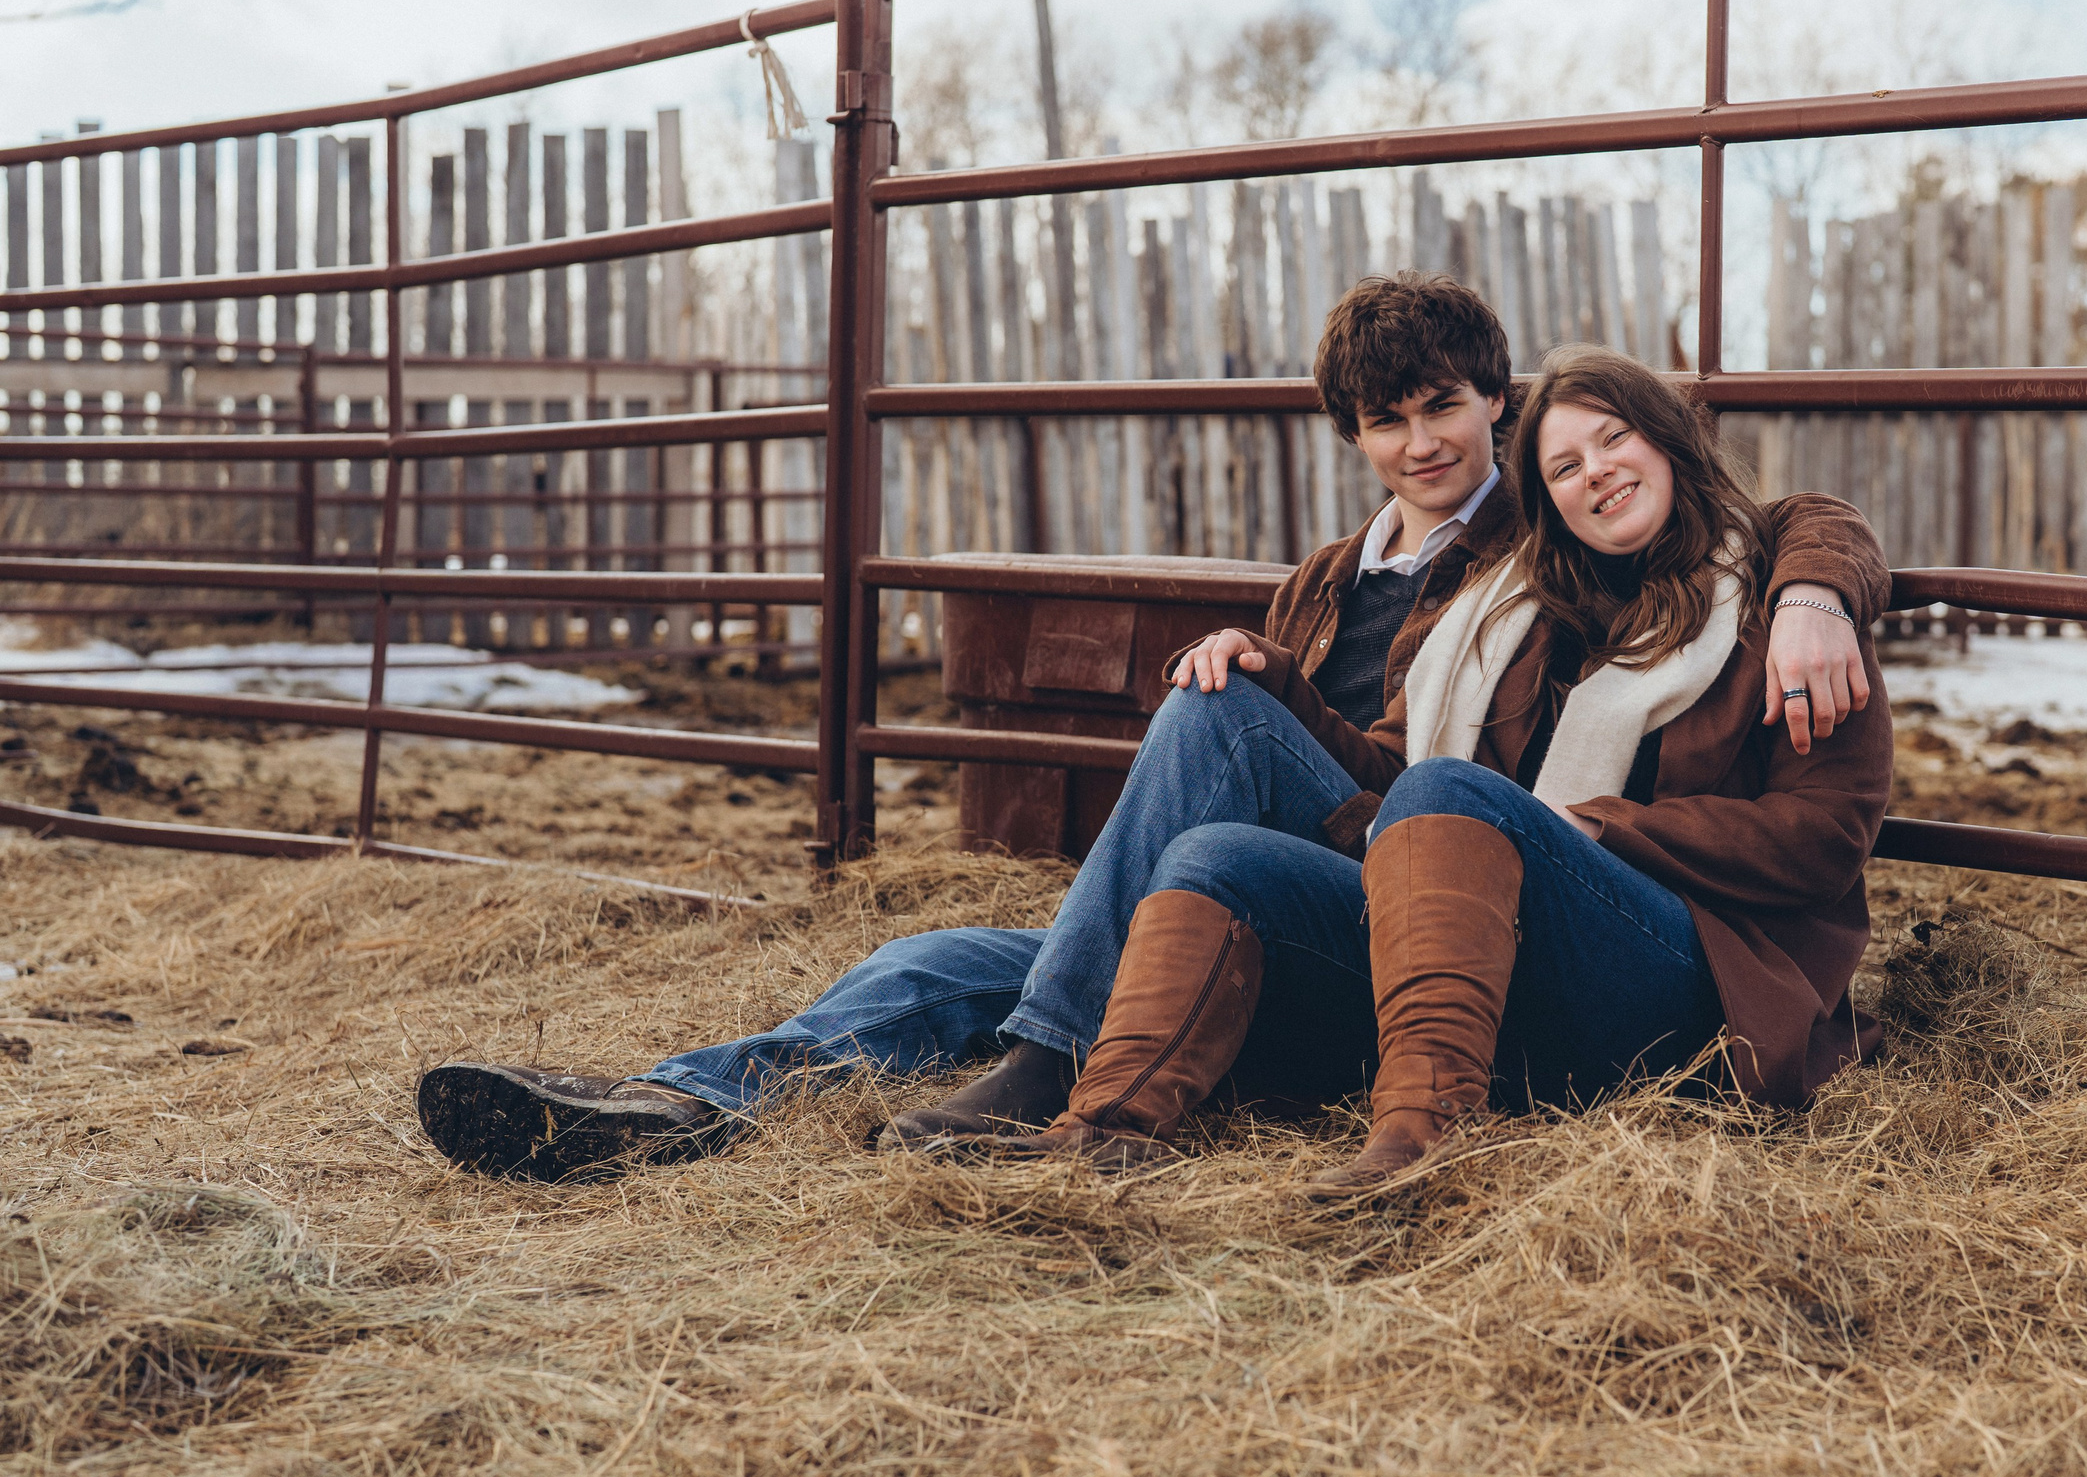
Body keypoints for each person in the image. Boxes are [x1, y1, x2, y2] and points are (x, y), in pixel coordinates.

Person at [415, 279, 1887, 1182]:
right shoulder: (1324, 578)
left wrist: (1819, 581)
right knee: (931, 955)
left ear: (1495, 405)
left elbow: (1748, 517)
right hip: (1297, 860)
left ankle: (1056, 1056)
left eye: (1449, 407)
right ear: (1356, 438)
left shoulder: (1548, 543)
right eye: (1388, 420)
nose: (1425, 440)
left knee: (1219, 711)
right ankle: (686, 1097)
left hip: (1434, 885)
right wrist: (1265, 660)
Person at [983, 344, 1893, 1188]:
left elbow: (1827, 837)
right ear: (1547, 501)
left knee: (1447, 790)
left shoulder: (1784, 613)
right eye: (1564, 467)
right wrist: (1280, 693)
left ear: (1669, 439)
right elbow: (1394, 777)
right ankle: (1104, 1125)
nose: (1598, 472)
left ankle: (1422, 1137)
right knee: (1214, 855)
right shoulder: (1516, 620)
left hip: (1688, 979)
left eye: (1615, 438)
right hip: (1501, 967)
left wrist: (1602, 827)